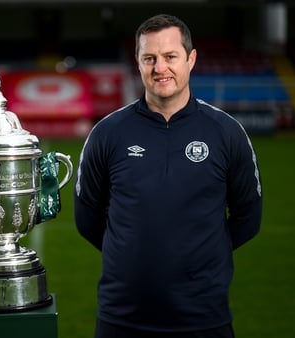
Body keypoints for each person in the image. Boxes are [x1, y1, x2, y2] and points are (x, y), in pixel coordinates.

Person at [73, 14, 263, 338]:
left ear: (191, 59)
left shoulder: (227, 133)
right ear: (138, 62)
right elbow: (87, 218)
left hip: (204, 318)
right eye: (150, 58)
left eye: (170, 57)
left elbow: (248, 217)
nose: (160, 68)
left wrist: (202, 256)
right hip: (122, 317)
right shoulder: (107, 133)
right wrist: (131, 255)